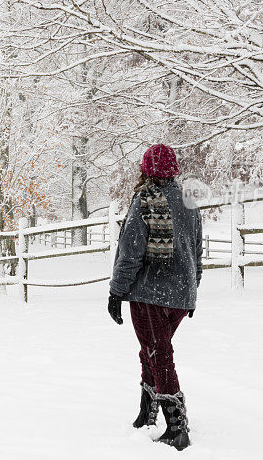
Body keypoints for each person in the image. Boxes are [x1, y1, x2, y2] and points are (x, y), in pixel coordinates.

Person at [107, 144, 202, 451]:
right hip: (180, 294)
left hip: (150, 291)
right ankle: (147, 412)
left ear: (146, 170)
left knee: (158, 353)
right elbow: (196, 250)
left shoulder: (144, 201)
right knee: (151, 350)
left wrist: (116, 291)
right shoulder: (189, 202)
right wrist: (191, 289)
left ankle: (177, 426)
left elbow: (130, 253)